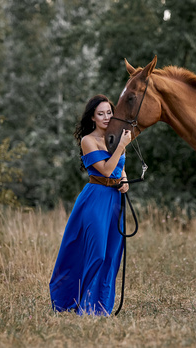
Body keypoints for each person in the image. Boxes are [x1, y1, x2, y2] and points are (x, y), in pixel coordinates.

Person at [49, 94, 132, 316]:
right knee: (97, 253)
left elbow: (119, 168)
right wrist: (122, 146)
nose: (106, 117)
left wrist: (123, 178)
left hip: (115, 200)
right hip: (96, 199)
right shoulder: (89, 140)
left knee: (112, 253)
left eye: (109, 112)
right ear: (93, 117)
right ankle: (80, 303)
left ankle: (100, 306)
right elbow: (105, 169)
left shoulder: (114, 138)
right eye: (101, 113)